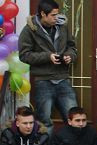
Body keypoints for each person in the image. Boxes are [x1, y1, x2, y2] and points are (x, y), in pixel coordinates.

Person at [18, 0, 78, 132]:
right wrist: (47, 56)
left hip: (63, 79)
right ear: (43, 14)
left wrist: (70, 56)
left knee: (73, 119)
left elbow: (72, 47)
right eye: (53, 15)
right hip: (43, 80)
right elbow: (24, 55)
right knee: (45, 123)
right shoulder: (29, 30)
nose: (56, 18)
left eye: (57, 14)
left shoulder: (62, 26)